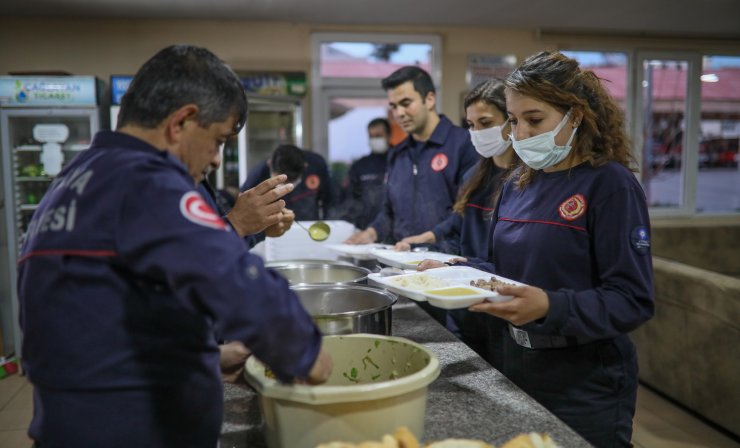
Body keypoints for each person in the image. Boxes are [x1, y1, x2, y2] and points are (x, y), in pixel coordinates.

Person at [17, 45, 332, 447]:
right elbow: (236, 281)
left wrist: (204, 358)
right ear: (181, 122)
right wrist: (305, 353)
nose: (217, 160)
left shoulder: (73, 179)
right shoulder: (146, 180)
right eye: (218, 140)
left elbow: (91, 322)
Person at [459, 51, 655, 447]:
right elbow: (504, 271)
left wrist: (551, 307)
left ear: (575, 115)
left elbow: (632, 300)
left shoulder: (609, 185)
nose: (521, 133)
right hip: (515, 362)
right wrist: (452, 269)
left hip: (584, 379)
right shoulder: (517, 183)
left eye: (535, 119)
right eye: (513, 120)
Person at [399, 79, 516, 368]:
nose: (476, 133)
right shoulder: (473, 176)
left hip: (504, 302)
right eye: (471, 125)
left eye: (485, 122)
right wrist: (426, 238)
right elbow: (458, 221)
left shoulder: (526, 179)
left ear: (510, 121)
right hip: (467, 300)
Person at [345, 66, 478, 245]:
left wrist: (430, 240)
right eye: (393, 106)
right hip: (402, 260)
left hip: (448, 263)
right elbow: (389, 212)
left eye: (406, 103)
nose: (399, 113)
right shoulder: (397, 154)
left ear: (429, 99)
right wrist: (371, 233)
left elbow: (469, 213)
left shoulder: (463, 145)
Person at [241, 144, 336, 221]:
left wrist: (328, 223)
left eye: (292, 182)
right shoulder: (259, 174)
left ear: (305, 166)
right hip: (273, 226)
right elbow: (243, 203)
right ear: (269, 164)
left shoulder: (316, 164)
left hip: (308, 223)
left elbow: (330, 199)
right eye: (281, 182)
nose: (287, 188)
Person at [333, 117, 391, 229]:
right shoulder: (360, 166)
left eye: (378, 136)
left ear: (388, 136)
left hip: (396, 229)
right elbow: (349, 199)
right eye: (371, 136)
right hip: (366, 227)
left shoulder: (401, 160)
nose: (375, 139)